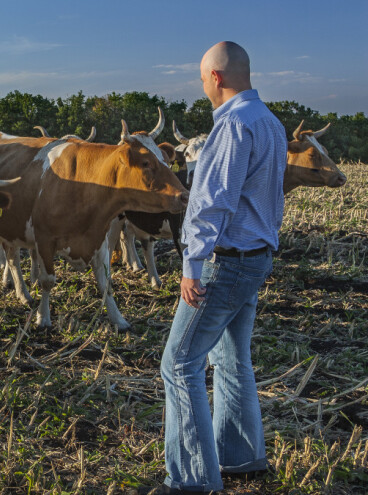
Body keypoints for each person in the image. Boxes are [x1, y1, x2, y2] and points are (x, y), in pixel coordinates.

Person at [156, 41, 288, 493]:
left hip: (224, 262)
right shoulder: (270, 123)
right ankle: (240, 457)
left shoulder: (232, 126)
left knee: (179, 364)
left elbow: (212, 204)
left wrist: (191, 263)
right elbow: (271, 198)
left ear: (215, 77)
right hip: (256, 258)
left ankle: (192, 480)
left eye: (201, 78)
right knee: (232, 358)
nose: (202, 86)